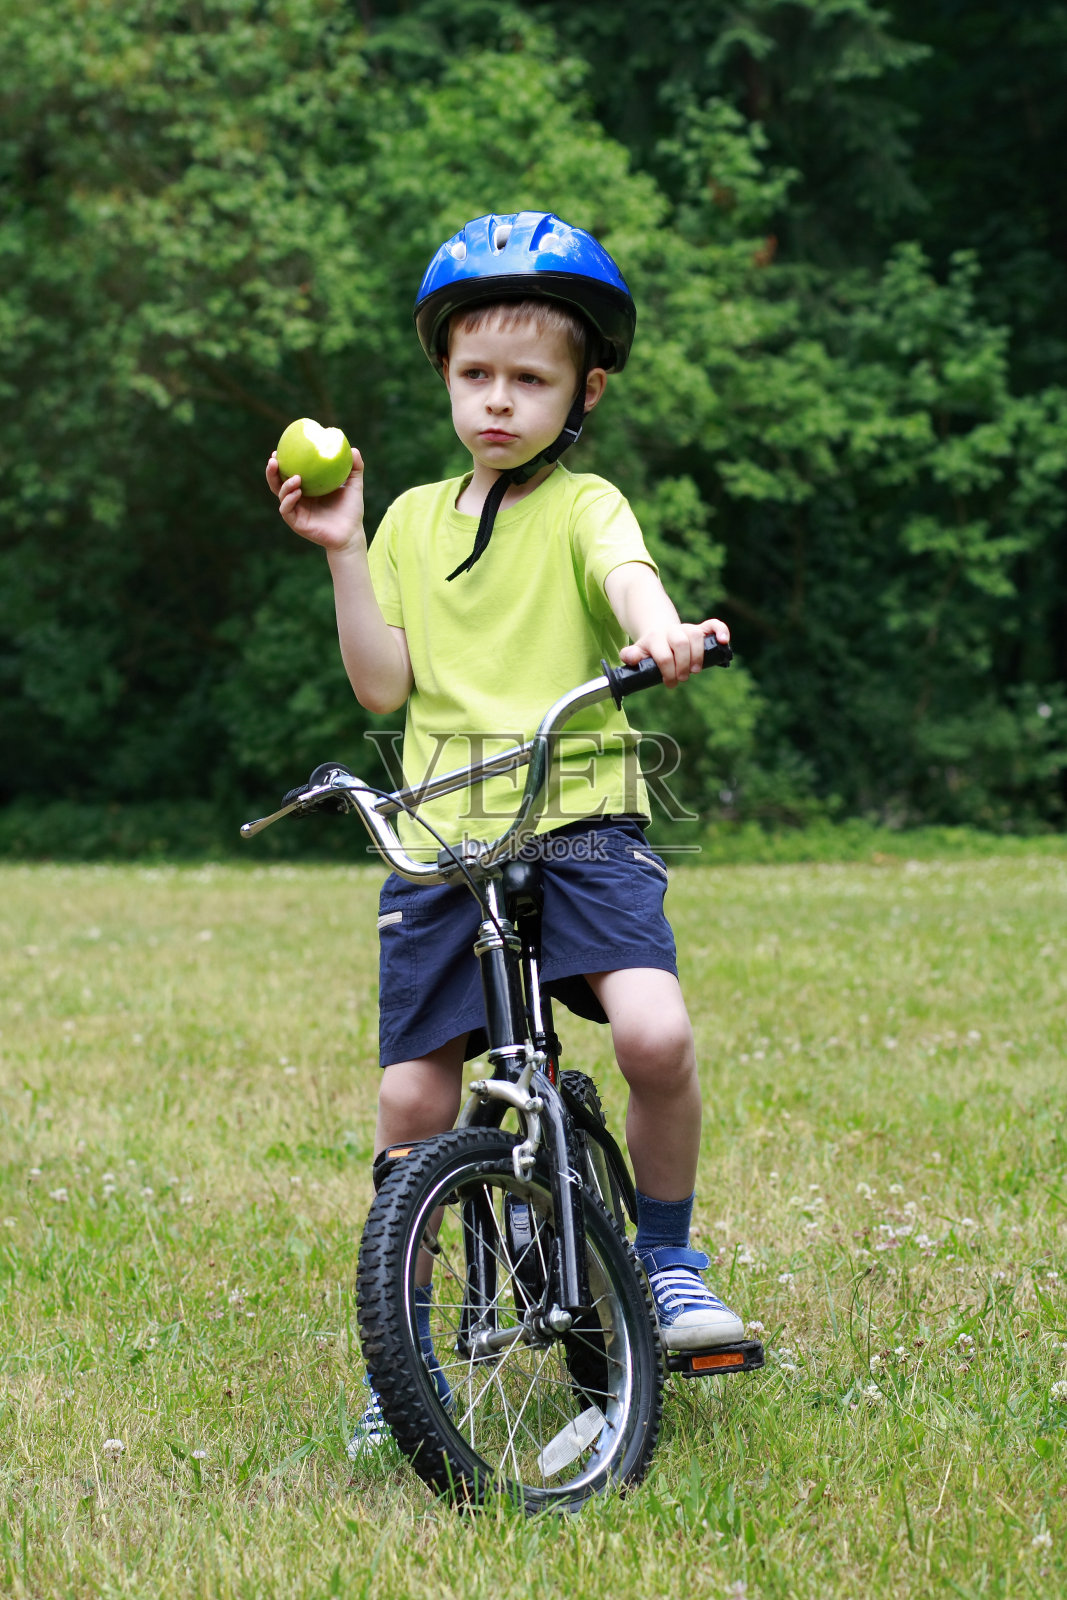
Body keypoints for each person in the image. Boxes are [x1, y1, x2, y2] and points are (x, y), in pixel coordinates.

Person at [266, 211, 745, 1452]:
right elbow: (383, 686)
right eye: (474, 376)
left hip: (578, 815)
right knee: (411, 1096)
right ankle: (402, 1349)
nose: (496, 402)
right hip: (438, 833)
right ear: (443, 376)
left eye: (527, 381)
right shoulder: (415, 518)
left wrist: (660, 629)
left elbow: (629, 578)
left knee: (652, 1030)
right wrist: (341, 547)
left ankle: (668, 1256)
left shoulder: (587, 504)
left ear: (581, 392)